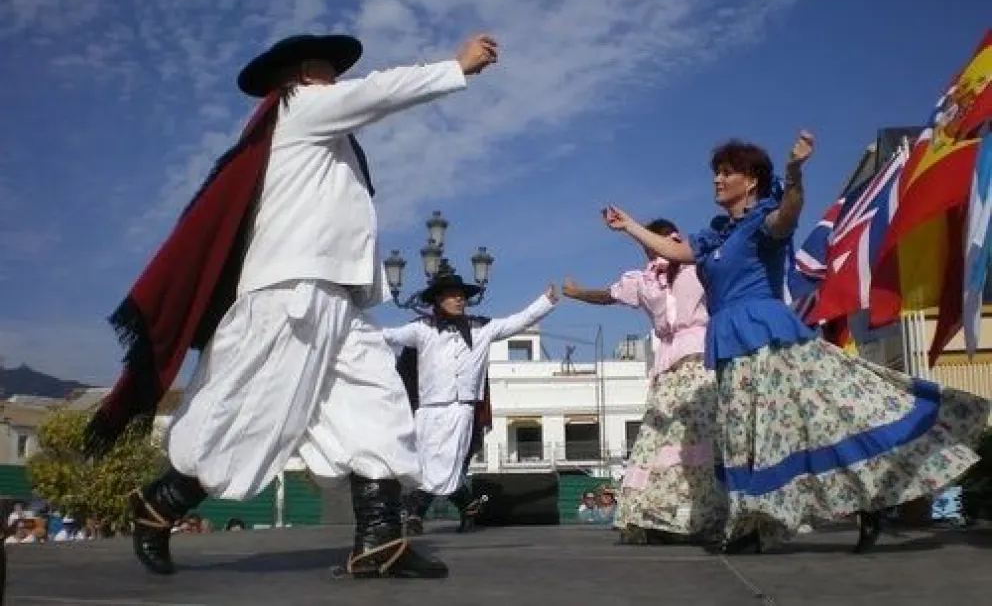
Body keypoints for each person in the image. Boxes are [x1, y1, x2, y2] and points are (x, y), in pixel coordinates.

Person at [87, 30, 499, 579]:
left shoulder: (332, 137)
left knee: (379, 406)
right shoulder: (299, 107)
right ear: (306, 73)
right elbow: (378, 93)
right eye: (331, 70)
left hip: (340, 299)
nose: (340, 80)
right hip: (290, 293)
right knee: (246, 411)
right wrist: (456, 67)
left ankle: (378, 542)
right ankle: (160, 504)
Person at [602, 131, 987, 553]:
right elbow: (674, 252)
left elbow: (787, 215)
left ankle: (759, 525)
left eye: (726, 173)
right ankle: (771, 517)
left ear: (751, 181)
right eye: (716, 172)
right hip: (730, 342)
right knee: (744, 436)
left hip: (767, 338)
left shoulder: (761, 223)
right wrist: (630, 226)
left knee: (787, 429)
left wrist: (795, 174)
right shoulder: (716, 237)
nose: (717, 180)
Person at [563, 218, 724, 545]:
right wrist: (576, 293)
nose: (650, 247)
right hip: (668, 365)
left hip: (702, 356)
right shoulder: (643, 280)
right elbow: (608, 295)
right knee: (659, 436)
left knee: (701, 436)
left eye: (656, 239)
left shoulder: (697, 263)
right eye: (646, 242)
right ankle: (653, 515)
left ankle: (707, 513)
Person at [385, 266, 559, 535]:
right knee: (425, 464)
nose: (459, 300)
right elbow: (388, 336)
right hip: (429, 409)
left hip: (462, 407)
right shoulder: (422, 329)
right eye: (452, 295)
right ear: (438, 300)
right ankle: (467, 507)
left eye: (461, 295)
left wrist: (545, 301)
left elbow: (518, 321)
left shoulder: (482, 328)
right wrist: (351, 332)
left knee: (449, 463)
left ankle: (416, 512)